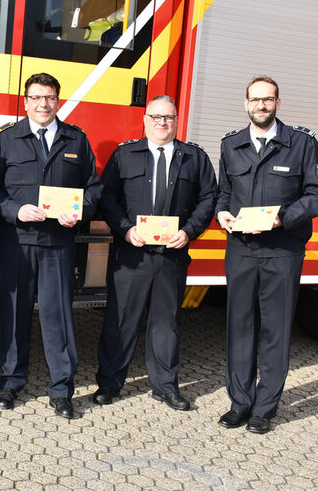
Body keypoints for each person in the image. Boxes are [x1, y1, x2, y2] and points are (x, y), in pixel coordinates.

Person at [216, 76, 318, 434]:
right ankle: (240, 403)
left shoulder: (302, 144)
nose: (261, 106)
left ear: (278, 103)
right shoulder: (231, 145)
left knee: (276, 331)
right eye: (255, 100)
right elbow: (223, 193)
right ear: (246, 103)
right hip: (241, 251)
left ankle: (265, 408)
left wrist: (283, 218)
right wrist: (221, 214)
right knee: (239, 327)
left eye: (267, 100)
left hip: (283, 251)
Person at [0, 72, 102, 419]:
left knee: (58, 318)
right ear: (26, 101)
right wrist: (15, 209)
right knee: (15, 313)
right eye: (36, 97)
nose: (43, 104)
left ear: (58, 100)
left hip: (57, 244)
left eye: (49, 97)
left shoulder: (76, 141)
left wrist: (79, 213)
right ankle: (10, 381)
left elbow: (94, 189)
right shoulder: (6, 140)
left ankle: (62, 389)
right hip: (16, 242)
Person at [93, 95, 217, 410]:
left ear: (176, 121)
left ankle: (165, 386)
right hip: (131, 255)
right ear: (145, 120)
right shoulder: (125, 155)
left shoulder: (194, 158)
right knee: (120, 321)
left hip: (171, 256)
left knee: (166, 323)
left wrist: (189, 231)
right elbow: (106, 197)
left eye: (169, 118)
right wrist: (124, 229)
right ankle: (109, 383)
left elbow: (209, 198)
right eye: (157, 117)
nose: (163, 123)